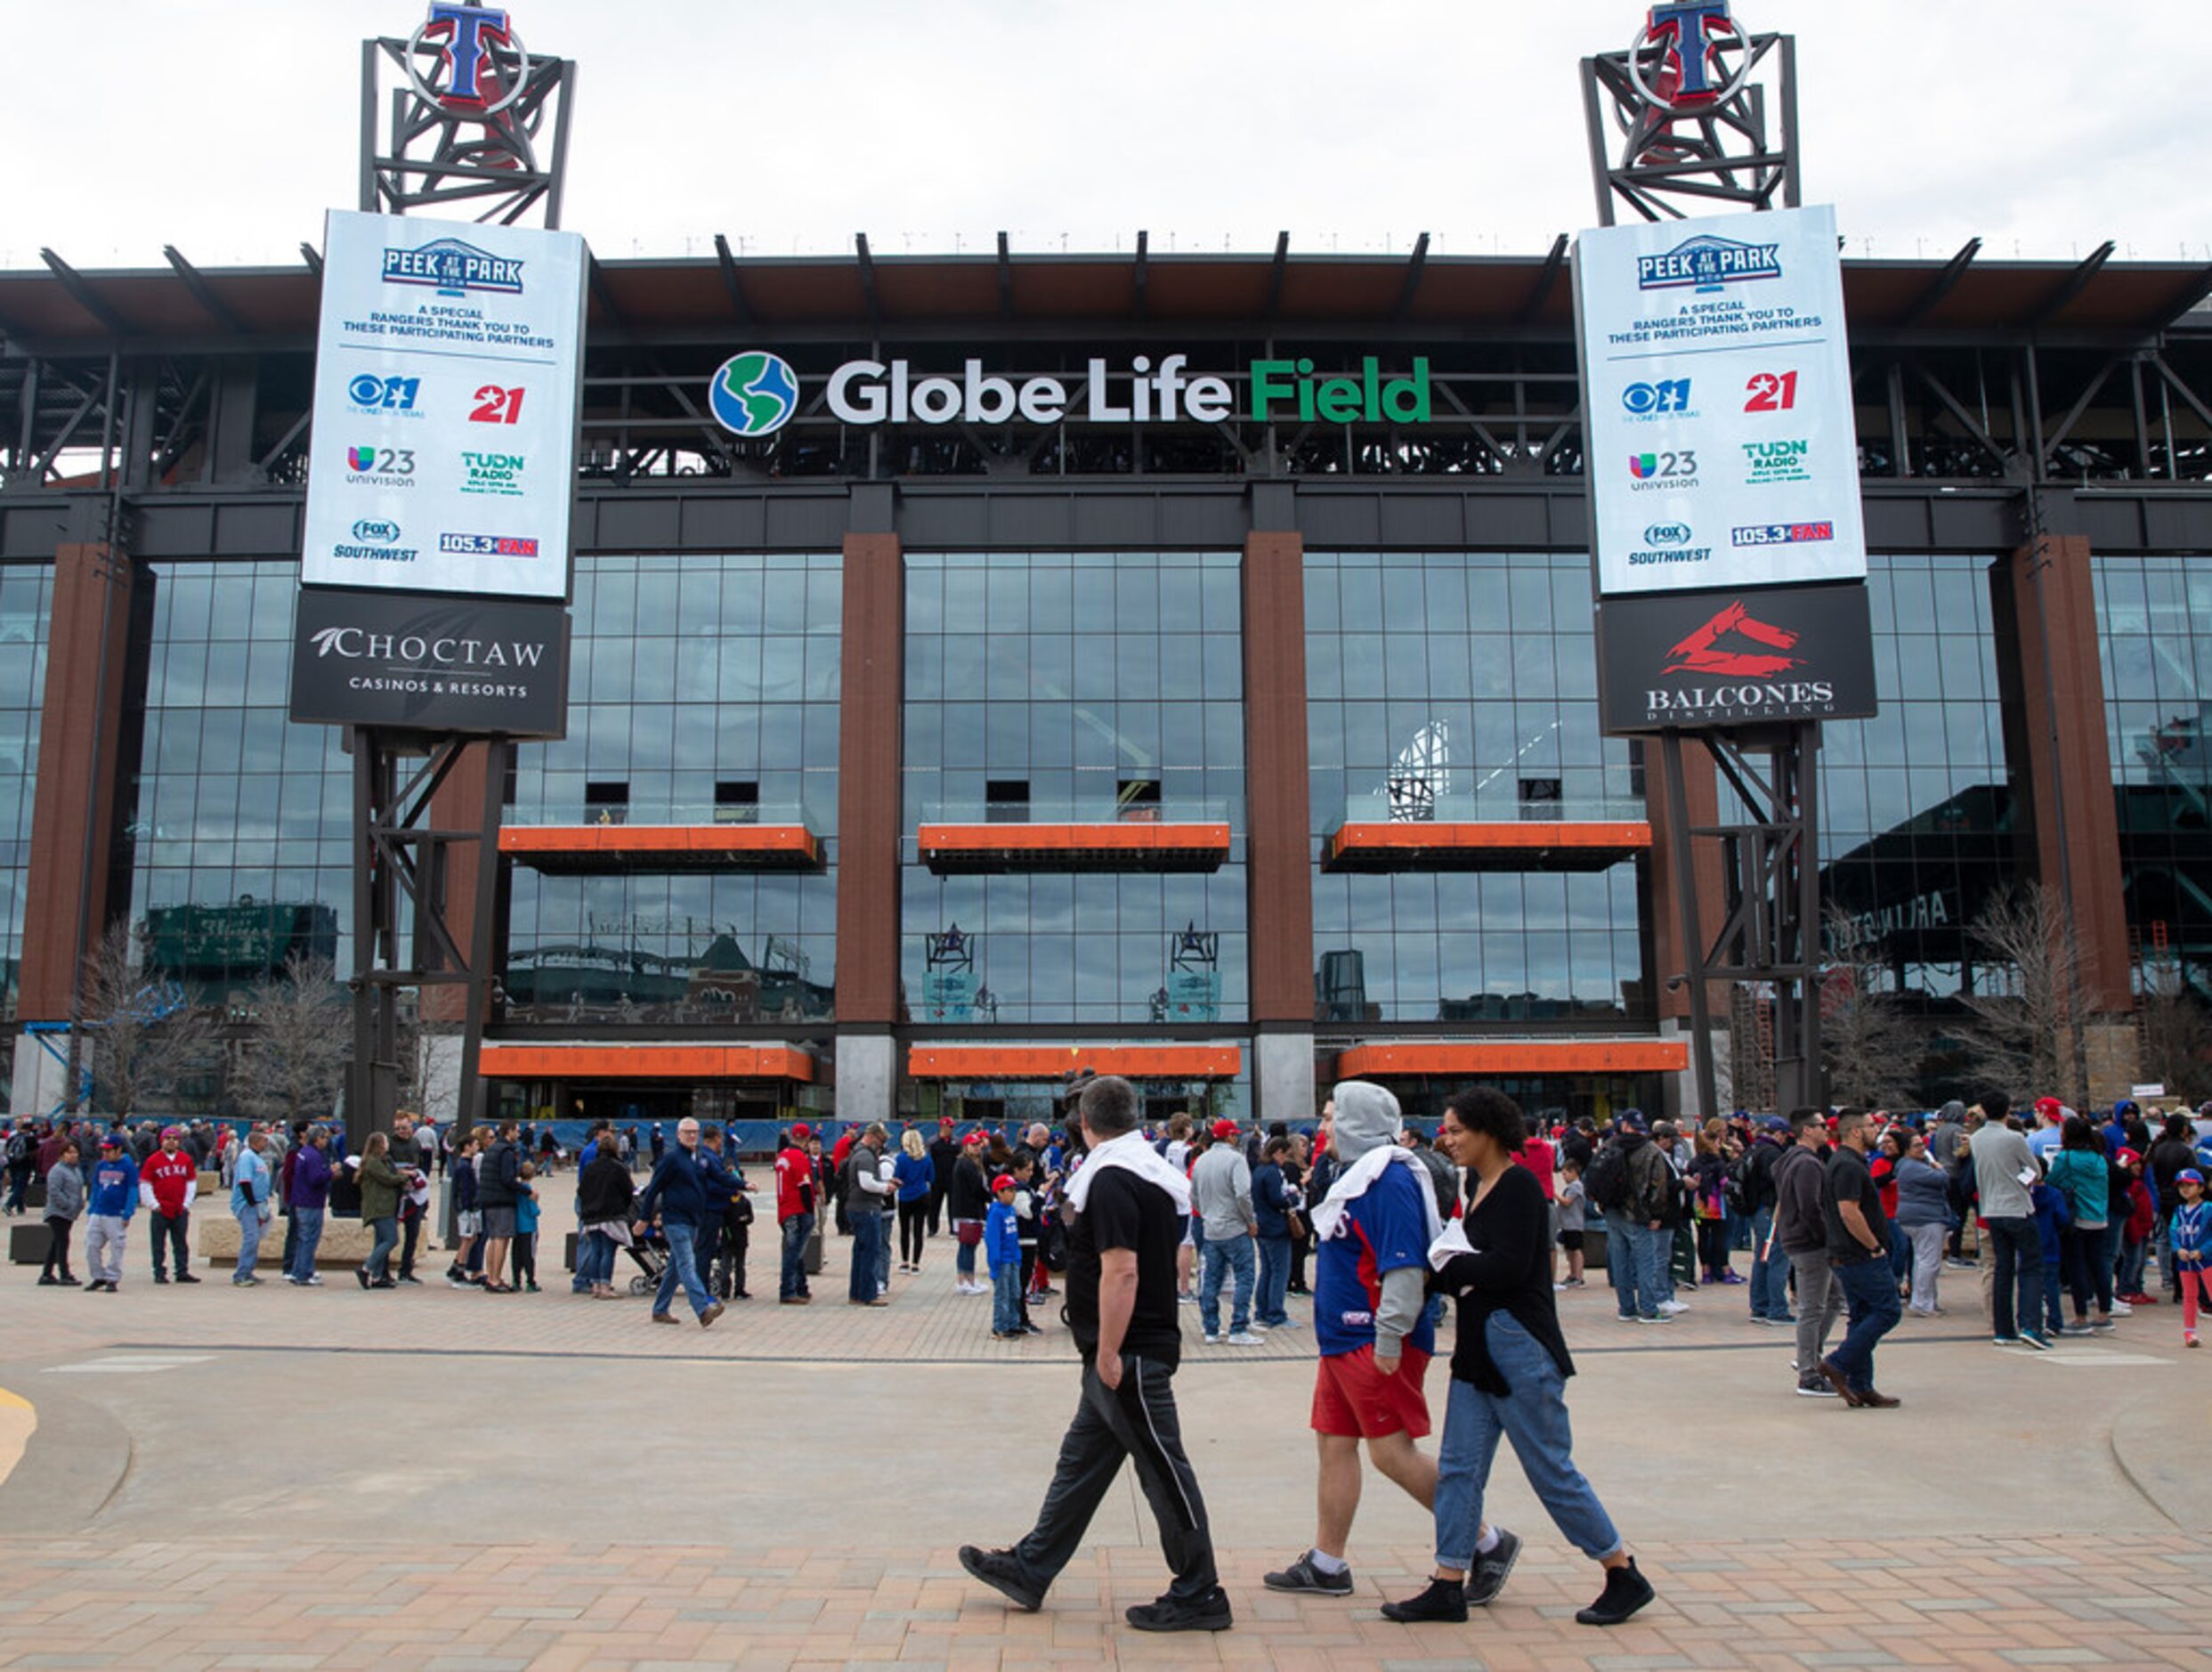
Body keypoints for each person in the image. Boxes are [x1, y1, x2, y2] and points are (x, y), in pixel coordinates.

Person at [957, 1075, 1231, 1633]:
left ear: (1085, 1123)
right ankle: (1031, 1567)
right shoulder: (1147, 1169)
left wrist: (1108, 1351)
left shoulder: (1110, 1179)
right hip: (1122, 1352)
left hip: (1127, 1354)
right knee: (1080, 1464)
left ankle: (1200, 1590)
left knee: (1162, 1470)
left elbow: (1121, 1269)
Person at [1383, 1085, 1655, 1628]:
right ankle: (1448, 1581)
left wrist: (1443, 1271)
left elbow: (1506, 1268)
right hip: (1479, 1347)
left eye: (1458, 1130)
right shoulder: (1476, 1183)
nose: (1449, 1139)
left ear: (1489, 1132)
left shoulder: (1521, 1187)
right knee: (1459, 1469)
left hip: (1519, 1345)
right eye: (1448, 1129)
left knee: (1550, 1469)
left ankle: (1622, 1572)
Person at [1266, 1081, 1441, 1599]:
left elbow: (1404, 1266)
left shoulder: (1389, 1180)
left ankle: (1482, 1539)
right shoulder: (1357, 1176)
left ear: (1355, 1124)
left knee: (1392, 1454)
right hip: (1344, 1338)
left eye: (1328, 1118)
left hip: (1372, 1341)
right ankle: (1327, 1561)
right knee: (1335, 1444)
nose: (1321, 1129)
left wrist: (1389, 1340)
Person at [1816, 1110, 1904, 1408]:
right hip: (1858, 1254)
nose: (1875, 1130)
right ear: (1854, 1131)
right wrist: (1874, 1246)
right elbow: (1848, 1210)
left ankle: (1861, 1383)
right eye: (1870, 1126)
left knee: (1864, 1315)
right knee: (1888, 1310)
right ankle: (1838, 1363)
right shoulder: (1847, 1166)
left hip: (1850, 1254)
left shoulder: (1848, 1163)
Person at [1971, 1092, 2053, 1349]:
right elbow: (2036, 1171)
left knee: (2002, 1268)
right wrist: (2024, 1177)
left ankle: (2003, 1328)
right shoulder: (2014, 1138)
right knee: (2030, 1266)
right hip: (2017, 1207)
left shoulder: (1977, 1139)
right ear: (2007, 1110)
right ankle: (2031, 1324)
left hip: (1991, 1209)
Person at [633, 1116, 725, 1328]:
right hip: (675, 1220)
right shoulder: (671, 1159)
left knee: (675, 1266)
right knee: (686, 1263)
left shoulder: (700, 1158)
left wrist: (744, 1183)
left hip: (693, 1220)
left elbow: (719, 1177)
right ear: (678, 1135)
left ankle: (660, 1309)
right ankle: (703, 1308)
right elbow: (653, 1189)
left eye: (695, 1132)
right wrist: (644, 1218)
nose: (692, 1136)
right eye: (687, 1132)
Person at [1193, 1116, 1260, 1346]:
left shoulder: (1201, 1160)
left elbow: (1194, 1195)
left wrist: (1206, 1214)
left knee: (1211, 1278)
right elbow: (1243, 1194)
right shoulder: (1236, 1160)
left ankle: (1211, 1328)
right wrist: (1250, 1220)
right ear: (1229, 1136)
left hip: (1211, 1229)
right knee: (1245, 1276)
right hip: (1235, 1228)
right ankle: (1238, 1327)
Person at [2046, 1116, 2117, 1334]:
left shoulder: (2066, 1158)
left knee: (2077, 1267)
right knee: (2100, 1266)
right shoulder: (2099, 1158)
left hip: (2077, 1218)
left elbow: (2051, 1181)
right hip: (2099, 1217)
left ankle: (2080, 1317)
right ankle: (2105, 1314)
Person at [1893, 1131, 1951, 1316]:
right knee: (1929, 1261)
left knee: (1923, 1259)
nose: (1922, 1148)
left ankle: (1927, 1301)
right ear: (1906, 1149)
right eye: (1917, 1145)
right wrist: (1940, 1168)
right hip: (1925, 1218)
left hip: (1917, 1216)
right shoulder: (1912, 1167)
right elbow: (1941, 1179)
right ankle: (1922, 1303)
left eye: (1923, 1144)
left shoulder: (1906, 1166)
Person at [576, 1136, 636, 1299]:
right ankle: (605, 1286)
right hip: (612, 1214)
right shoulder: (619, 1168)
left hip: (591, 1215)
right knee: (608, 1251)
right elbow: (628, 1191)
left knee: (596, 1250)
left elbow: (581, 1190)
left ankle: (595, 1285)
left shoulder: (590, 1167)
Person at [140, 1125, 200, 1285]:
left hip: (179, 1208)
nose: (171, 1142)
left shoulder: (185, 1160)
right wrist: (153, 1204)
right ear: (162, 1141)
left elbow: (191, 1182)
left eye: (175, 1139)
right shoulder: (153, 1160)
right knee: (158, 1242)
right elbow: (145, 1184)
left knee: (180, 1241)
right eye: (168, 1138)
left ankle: (182, 1271)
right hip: (161, 1208)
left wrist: (187, 1203)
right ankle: (159, 1272)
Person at [844, 1122, 895, 1304]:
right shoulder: (865, 1156)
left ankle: (856, 1293)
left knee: (860, 1251)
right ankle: (868, 1294)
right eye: (881, 1140)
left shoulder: (858, 1153)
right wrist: (886, 1187)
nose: (882, 1144)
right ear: (873, 1137)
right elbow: (866, 1183)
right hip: (866, 1209)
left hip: (856, 1207)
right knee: (870, 1252)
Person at [83, 1132, 139, 1293]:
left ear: (119, 1149)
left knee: (117, 1248)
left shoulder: (128, 1166)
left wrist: (128, 1212)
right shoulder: (101, 1165)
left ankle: (113, 1278)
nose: (105, 1154)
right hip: (98, 1212)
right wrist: (92, 1208)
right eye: (104, 1150)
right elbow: (95, 1187)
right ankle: (98, 1276)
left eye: (109, 1150)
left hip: (116, 1214)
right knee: (91, 1245)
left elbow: (132, 1190)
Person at [1252, 1136, 1299, 1330]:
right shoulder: (1272, 1173)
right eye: (1285, 1155)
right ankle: (1276, 1314)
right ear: (1278, 1152)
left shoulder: (1258, 1170)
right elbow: (1276, 1199)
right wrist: (1292, 1199)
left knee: (1267, 1270)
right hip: (1275, 1227)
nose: (1286, 1160)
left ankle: (1262, 1311)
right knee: (1280, 1271)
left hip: (1262, 1226)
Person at [476, 1120, 523, 1295]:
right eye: (516, 1131)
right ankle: (495, 1279)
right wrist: (525, 1190)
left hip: (488, 1199)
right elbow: (507, 1179)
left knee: (493, 1237)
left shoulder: (492, 1149)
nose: (518, 1135)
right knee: (501, 1239)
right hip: (502, 1199)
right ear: (508, 1131)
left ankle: (491, 1276)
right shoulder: (507, 1151)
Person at [355, 1132, 404, 1289]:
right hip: (380, 1207)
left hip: (384, 1206)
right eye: (385, 1141)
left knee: (380, 1242)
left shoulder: (380, 1161)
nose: (388, 1144)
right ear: (379, 1145)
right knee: (391, 1240)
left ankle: (377, 1276)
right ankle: (366, 1268)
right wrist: (405, 1177)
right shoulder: (373, 1163)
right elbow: (388, 1179)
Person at [774, 1122, 817, 1303]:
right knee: (794, 1252)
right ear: (806, 1140)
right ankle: (787, 1290)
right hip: (797, 1208)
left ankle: (801, 1287)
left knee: (795, 1250)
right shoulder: (799, 1157)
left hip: (784, 1207)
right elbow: (805, 1186)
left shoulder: (782, 1155)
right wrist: (810, 1211)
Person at [288, 1125, 333, 1286]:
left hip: (301, 1200)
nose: (327, 1141)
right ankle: (304, 1273)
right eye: (325, 1138)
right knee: (309, 1239)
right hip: (311, 1202)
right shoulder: (314, 1156)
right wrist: (331, 1172)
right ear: (317, 1139)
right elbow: (315, 1178)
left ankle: (297, 1270)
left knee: (302, 1238)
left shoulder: (303, 1153)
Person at [949, 1131, 992, 1295]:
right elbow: (976, 1188)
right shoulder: (966, 1164)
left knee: (968, 1246)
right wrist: (990, 1197)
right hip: (967, 1211)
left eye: (978, 1145)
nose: (976, 1148)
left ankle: (967, 1279)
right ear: (966, 1146)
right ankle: (965, 1280)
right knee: (968, 1246)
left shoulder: (972, 1163)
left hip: (970, 1210)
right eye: (973, 1145)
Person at [2170, 1170, 2208, 1347]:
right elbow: (2173, 1231)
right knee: (2189, 1296)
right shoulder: (2179, 1210)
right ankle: (2189, 1332)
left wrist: (2204, 1250)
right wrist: (2178, 1249)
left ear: (2201, 1188)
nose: (2185, 1189)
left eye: (2190, 1185)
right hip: (2185, 1260)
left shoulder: (2208, 1208)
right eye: (2182, 1186)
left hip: (2206, 1259)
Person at [38, 1140, 83, 1286]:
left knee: (56, 1242)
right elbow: (54, 1191)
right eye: (69, 1152)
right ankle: (64, 1273)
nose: (73, 1155)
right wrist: (68, 1205)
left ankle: (46, 1274)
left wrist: (79, 1204)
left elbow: (77, 1189)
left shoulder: (75, 1170)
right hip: (57, 1212)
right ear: (62, 1154)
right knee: (63, 1241)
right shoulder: (57, 1170)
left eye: (75, 1152)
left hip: (69, 1213)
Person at [231, 1132, 272, 1286]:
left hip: (259, 1203)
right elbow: (245, 1181)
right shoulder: (246, 1157)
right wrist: (252, 1202)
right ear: (255, 1141)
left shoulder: (257, 1157)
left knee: (255, 1239)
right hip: (247, 1204)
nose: (266, 1143)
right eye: (264, 1140)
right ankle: (240, 1274)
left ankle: (248, 1271)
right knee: (251, 1238)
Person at [986, 1173, 1024, 1338]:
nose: (1013, 1193)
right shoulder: (996, 1213)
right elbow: (992, 1240)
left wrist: (1018, 1255)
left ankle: (1013, 1322)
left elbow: (1014, 1237)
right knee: (1003, 1294)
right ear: (999, 1192)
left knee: (1015, 1291)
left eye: (1014, 1189)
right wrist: (995, 1263)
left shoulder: (1011, 1210)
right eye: (1009, 1190)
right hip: (1002, 1260)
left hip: (1013, 1257)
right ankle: (1000, 1325)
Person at [895, 1127, 935, 1273]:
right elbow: (931, 1177)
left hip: (905, 1195)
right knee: (919, 1230)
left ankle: (905, 1261)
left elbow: (898, 1176)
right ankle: (916, 1263)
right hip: (922, 1194)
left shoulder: (901, 1158)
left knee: (904, 1230)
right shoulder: (927, 1157)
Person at [447, 1130, 483, 1288]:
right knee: (467, 1239)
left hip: (467, 1206)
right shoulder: (464, 1166)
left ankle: (455, 1267)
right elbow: (465, 1189)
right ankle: (459, 1271)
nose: (477, 1147)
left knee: (472, 1237)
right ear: (467, 1147)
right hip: (467, 1208)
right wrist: (468, 1207)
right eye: (475, 1145)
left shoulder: (465, 1165)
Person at [1553, 1157, 1587, 1288]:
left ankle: (1578, 1276)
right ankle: (1572, 1274)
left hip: (1574, 1224)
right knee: (1569, 1250)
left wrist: (1555, 1195)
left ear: (1574, 1172)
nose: (1563, 1177)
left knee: (1576, 1250)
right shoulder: (1571, 1187)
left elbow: (1567, 1202)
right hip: (1567, 1224)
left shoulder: (1576, 1186)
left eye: (1565, 1174)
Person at [926, 1117, 960, 1237]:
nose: (951, 1129)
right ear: (943, 1127)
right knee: (934, 1205)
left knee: (954, 1205)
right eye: (950, 1127)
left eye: (952, 1127)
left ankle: (953, 1229)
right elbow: (928, 1161)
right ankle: (932, 1228)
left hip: (952, 1179)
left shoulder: (956, 1142)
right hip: (937, 1179)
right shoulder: (933, 1142)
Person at [513, 1160, 541, 1293]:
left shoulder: (516, 1190)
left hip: (517, 1226)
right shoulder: (529, 1191)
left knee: (516, 1254)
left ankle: (516, 1280)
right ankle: (530, 1281)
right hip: (529, 1226)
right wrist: (536, 1203)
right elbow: (534, 1211)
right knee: (529, 1254)